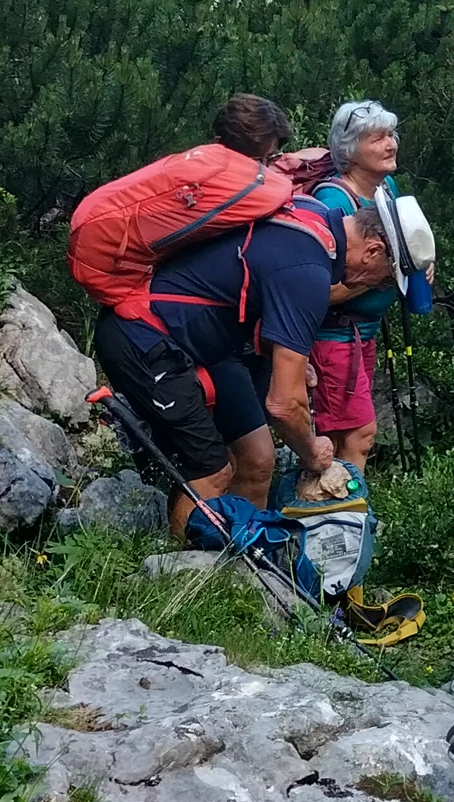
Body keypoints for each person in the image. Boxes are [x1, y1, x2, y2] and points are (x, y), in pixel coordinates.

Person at [94, 96, 396, 533]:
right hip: (145, 338)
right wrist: (312, 451)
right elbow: (284, 403)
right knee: (214, 470)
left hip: (201, 344)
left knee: (258, 459)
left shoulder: (311, 214)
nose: (372, 283)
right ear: (373, 250)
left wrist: (290, 363)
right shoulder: (310, 270)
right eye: (383, 276)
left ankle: (235, 570)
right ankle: (178, 575)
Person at [311, 100, 404, 479]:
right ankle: (344, 518)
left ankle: (344, 513)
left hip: (361, 335)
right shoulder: (332, 203)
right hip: (334, 336)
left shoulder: (387, 189)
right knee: (355, 434)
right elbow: (316, 291)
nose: (390, 144)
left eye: (391, 134)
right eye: (377, 137)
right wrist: (381, 277)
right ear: (350, 150)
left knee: (347, 432)